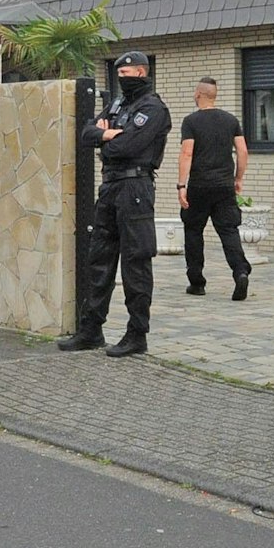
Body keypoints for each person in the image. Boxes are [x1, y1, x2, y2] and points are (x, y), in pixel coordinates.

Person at [58, 52, 171, 358]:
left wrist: (105, 140)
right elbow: (86, 133)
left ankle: (137, 334)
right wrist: (106, 133)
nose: (122, 76)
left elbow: (129, 145)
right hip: (110, 187)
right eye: (119, 72)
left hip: (135, 188)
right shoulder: (118, 104)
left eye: (128, 71)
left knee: (135, 262)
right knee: (99, 259)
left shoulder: (153, 107)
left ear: (142, 72)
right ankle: (91, 330)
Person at [176, 77, 251, 300]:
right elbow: (243, 151)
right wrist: (238, 178)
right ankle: (240, 272)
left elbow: (187, 153)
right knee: (229, 231)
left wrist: (181, 185)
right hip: (224, 186)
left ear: (198, 94)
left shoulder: (191, 121)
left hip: (199, 186)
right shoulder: (230, 120)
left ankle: (197, 282)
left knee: (193, 231)